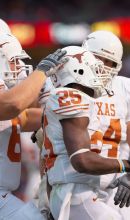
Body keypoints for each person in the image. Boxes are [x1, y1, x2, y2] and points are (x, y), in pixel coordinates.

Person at [0, 31, 67, 220]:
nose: (20, 67)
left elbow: (26, 116)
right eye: (14, 60)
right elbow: (11, 105)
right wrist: (41, 72)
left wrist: (77, 113)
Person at [41, 45, 130, 220]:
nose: (98, 74)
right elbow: (81, 160)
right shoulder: (69, 96)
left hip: (79, 192)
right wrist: (127, 164)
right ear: (78, 70)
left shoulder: (76, 99)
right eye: (94, 68)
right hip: (76, 192)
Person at [82, 30, 130, 216]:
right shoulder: (64, 85)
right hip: (79, 183)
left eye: (109, 62)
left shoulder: (124, 88)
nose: (103, 67)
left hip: (118, 184)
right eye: (98, 59)